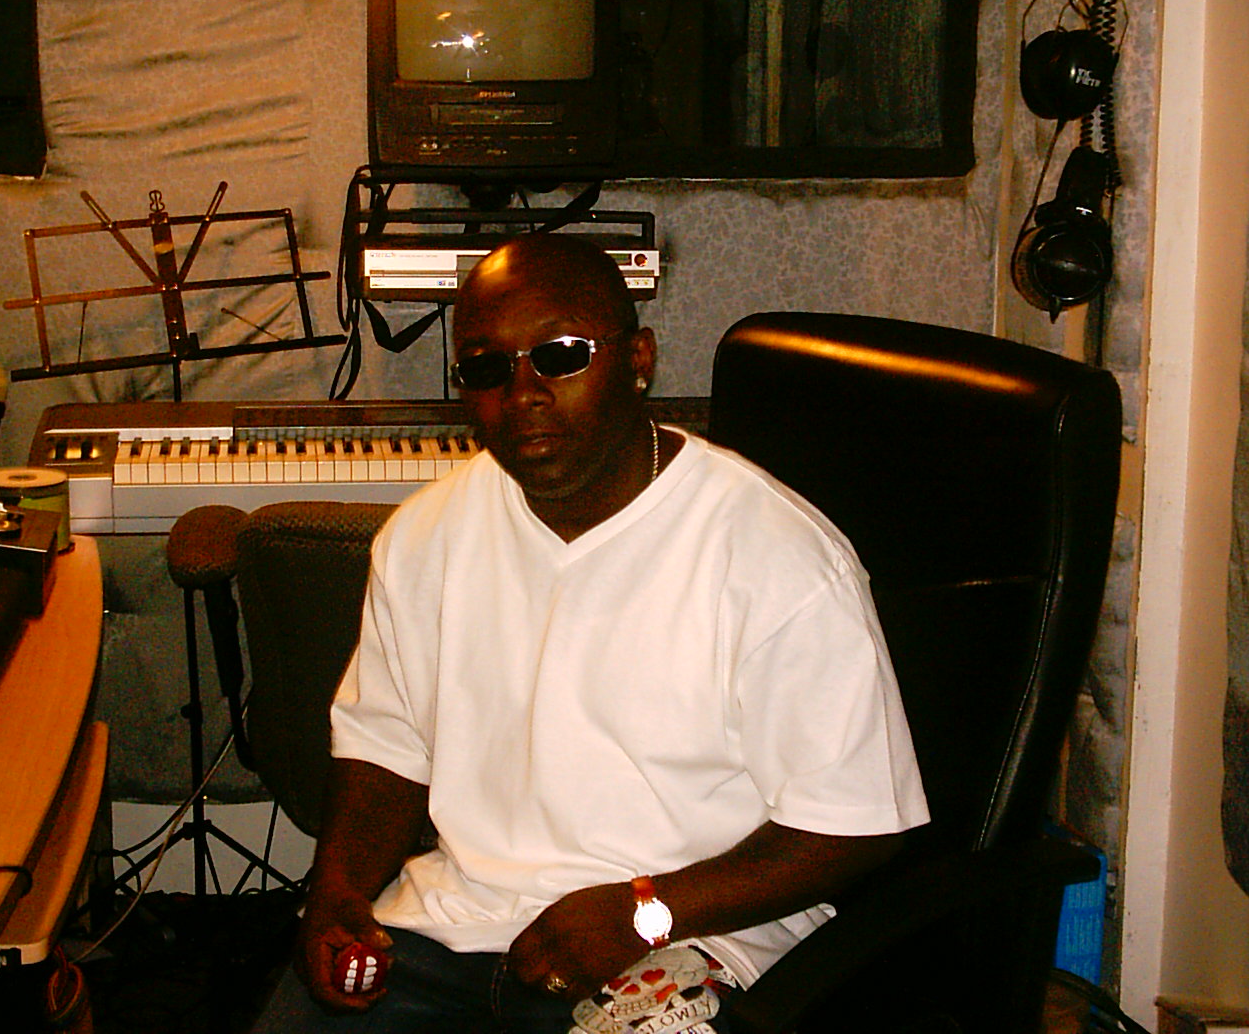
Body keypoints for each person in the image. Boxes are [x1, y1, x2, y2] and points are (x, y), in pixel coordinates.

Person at [253, 232, 928, 1033]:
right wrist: (334, 896)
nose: (524, 393)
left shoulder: (776, 555)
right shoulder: (425, 536)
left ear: (639, 360)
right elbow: (387, 749)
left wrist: (642, 910)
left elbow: (855, 827)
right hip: (458, 922)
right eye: (487, 368)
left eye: (561, 356)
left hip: (689, 933)